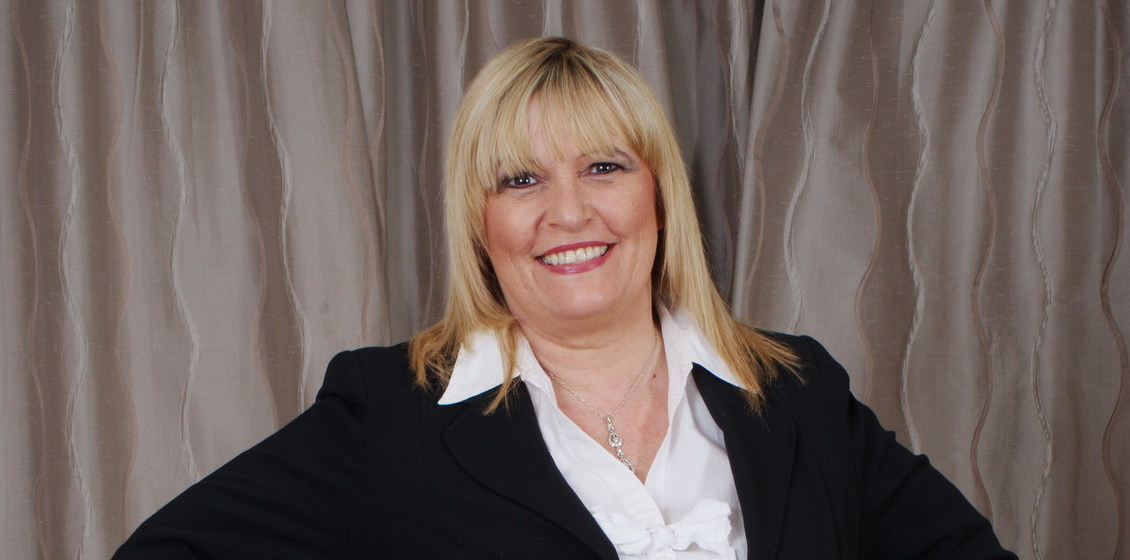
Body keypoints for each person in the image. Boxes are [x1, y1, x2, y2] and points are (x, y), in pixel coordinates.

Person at [114, 37, 1015, 559]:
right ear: (481, 222)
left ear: (659, 195)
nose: (569, 212)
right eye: (520, 179)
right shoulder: (387, 412)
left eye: (604, 167)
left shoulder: (797, 391)